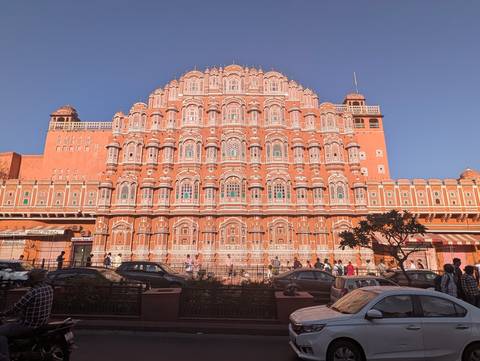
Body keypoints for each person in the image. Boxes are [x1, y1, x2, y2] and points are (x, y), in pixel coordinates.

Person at [0, 269, 53, 361]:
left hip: (27, 325)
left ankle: (4, 357)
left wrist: (4, 313)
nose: (28, 280)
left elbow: (17, 307)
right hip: (42, 323)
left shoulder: (32, 292)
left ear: (33, 279)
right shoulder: (49, 288)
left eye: (29, 278)